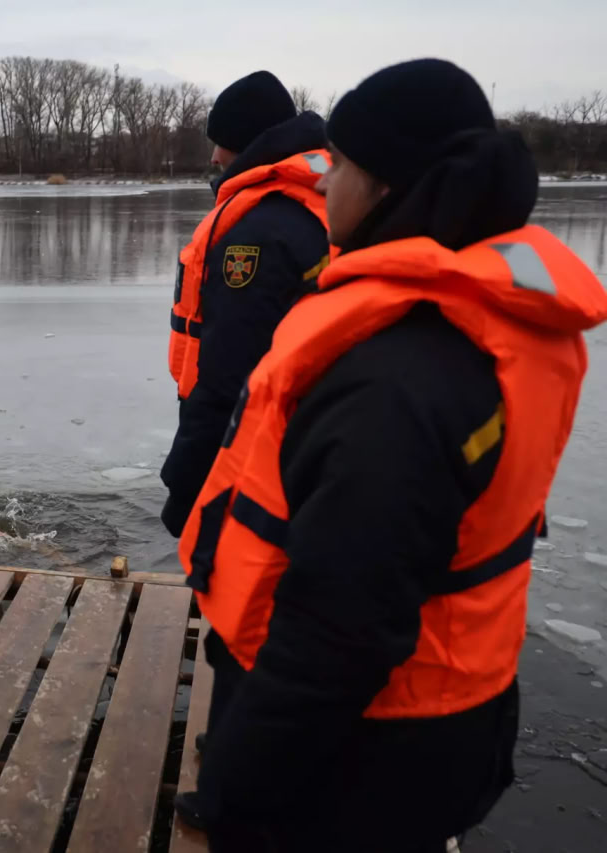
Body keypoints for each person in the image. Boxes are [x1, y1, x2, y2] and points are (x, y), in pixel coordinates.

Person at [173, 59, 607, 850]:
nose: (322, 181)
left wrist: (239, 781)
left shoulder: (400, 375)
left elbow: (338, 635)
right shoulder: (476, 322)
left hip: (369, 748)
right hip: (441, 709)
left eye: (337, 164)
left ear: (385, 186)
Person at [160, 70, 331, 537]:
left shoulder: (257, 231)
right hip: (318, 447)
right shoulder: (321, 200)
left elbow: (229, 372)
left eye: (222, 142)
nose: (214, 156)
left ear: (248, 141)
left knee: (247, 593)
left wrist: (186, 483)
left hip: (258, 454)